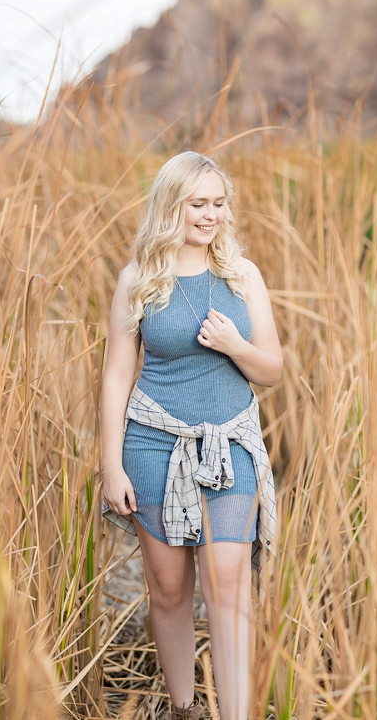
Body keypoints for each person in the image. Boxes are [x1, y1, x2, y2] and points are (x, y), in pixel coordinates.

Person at [100, 151, 284, 720]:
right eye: (197, 204)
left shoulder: (241, 275)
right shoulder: (138, 280)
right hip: (152, 444)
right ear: (170, 206)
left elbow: (272, 369)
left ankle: (237, 714)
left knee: (227, 584)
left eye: (218, 203)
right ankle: (184, 708)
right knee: (169, 589)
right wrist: (112, 465)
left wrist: (236, 345)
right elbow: (115, 375)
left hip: (230, 445)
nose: (210, 216)